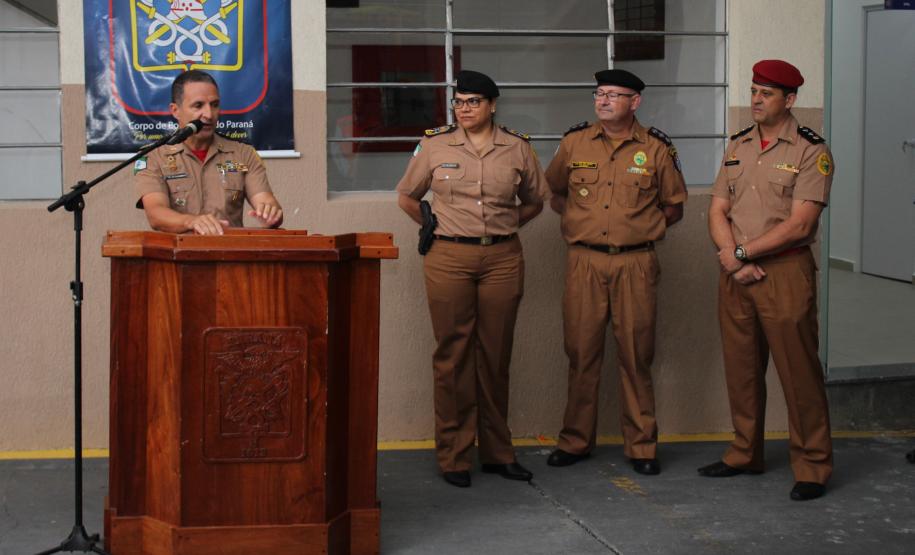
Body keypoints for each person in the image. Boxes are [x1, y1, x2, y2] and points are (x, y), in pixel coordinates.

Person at [396, 70, 548, 488]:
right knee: (453, 356)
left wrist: (505, 223)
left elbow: (536, 200)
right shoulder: (434, 145)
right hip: (448, 256)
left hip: (502, 257)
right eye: (458, 102)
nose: (463, 109)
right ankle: (455, 455)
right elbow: (407, 196)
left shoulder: (517, 148)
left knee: (495, 356)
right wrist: (432, 223)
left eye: (473, 102)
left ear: (492, 105)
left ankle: (499, 453)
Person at [702, 59, 835, 501]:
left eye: (767, 93)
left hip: (784, 273)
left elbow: (800, 225)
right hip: (736, 274)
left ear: (790, 100)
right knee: (741, 369)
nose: (756, 100)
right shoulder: (738, 144)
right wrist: (732, 259)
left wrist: (743, 253)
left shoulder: (811, 151)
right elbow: (717, 208)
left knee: (799, 374)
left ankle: (813, 466)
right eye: (754, 91)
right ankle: (745, 452)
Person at [545, 69, 686, 476]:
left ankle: (642, 447)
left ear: (635, 102)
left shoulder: (656, 148)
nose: (603, 101)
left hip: (635, 263)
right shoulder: (574, 142)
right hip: (584, 261)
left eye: (614, 95)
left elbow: (674, 206)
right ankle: (574, 441)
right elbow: (555, 192)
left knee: (636, 355)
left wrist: (640, 230)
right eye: (599, 94)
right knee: (581, 352)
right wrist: (580, 222)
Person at [135, 70, 283, 234]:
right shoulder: (153, 156)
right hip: (178, 255)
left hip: (230, 255)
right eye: (198, 105)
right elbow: (156, 213)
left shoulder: (243, 154)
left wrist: (270, 213)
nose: (209, 114)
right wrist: (192, 221)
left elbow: (264, 200)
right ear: (175, 110)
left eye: (214, 105)